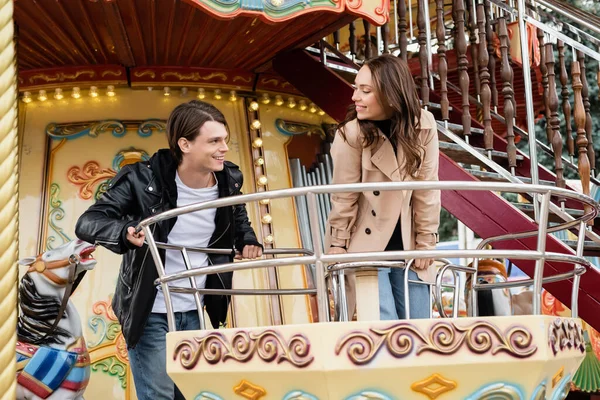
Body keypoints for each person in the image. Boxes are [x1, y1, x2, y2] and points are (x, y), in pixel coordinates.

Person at [75, 100, 263, 399]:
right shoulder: (142, 178)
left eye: (225, 139)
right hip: (151, 310)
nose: (224, 148)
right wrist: (124, 232)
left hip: (195, 308)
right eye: (214, 141)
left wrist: (249, 240)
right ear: (185, 144)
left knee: (193, 394)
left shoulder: (228, 179)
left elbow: (235, 217)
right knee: (160, 395)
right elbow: (89, 221)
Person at [325, 54, 440, 321]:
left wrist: (426, 242)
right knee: (382, 327)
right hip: (366, 242)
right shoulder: (350, 134)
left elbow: (428, 189)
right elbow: (344, 196)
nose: (355, 97)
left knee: (419, 324)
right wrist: (338, 245)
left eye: (365, 91)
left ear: (391, 93)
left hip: (409, 242)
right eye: (356, 88)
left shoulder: (423, 125)